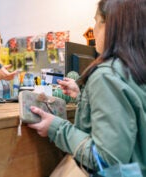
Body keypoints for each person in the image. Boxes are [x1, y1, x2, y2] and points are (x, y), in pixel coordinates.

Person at [27, 0, 146, 175]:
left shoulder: (107, 75)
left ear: (111, 25)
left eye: (96, 21)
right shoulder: (135, 68)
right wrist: (85, 95)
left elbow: (106, 159)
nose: (94, 29)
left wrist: (56, 128)